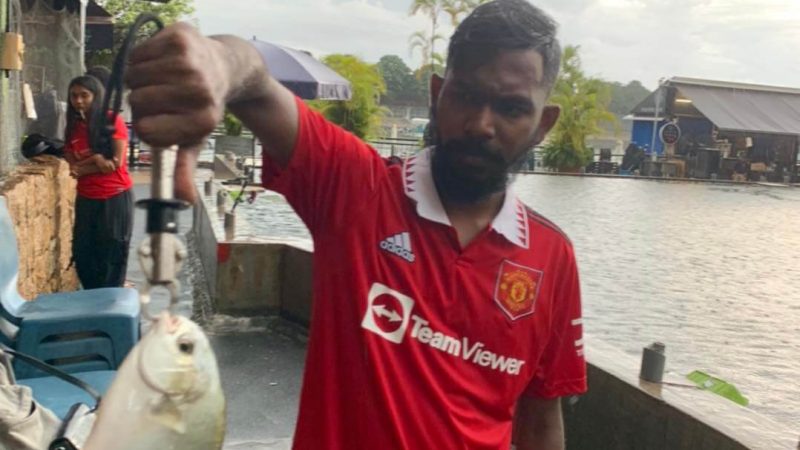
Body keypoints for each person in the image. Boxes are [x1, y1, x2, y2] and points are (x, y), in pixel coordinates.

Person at [126, 0, 586, 448]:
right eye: (466, 96)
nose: (481, 124)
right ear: (436, 93)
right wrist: (218, 61)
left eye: (511, 109)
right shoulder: (357, 190)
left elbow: (542, 417)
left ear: (542, 124)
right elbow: (259, 84)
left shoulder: (552, 256)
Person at [63, 76, 134, 289]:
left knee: (111, 251)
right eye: (74, 95)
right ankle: (93, 298)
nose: (79, 101)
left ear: (96, 97)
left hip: (115, 196)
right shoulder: (73, 127)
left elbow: (115, 163)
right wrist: (95, 160)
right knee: (82, 253)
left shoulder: (112, 121)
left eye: (85, 95)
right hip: (86, 196)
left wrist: (84, 166)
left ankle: (111, 301)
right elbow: (72, 166)